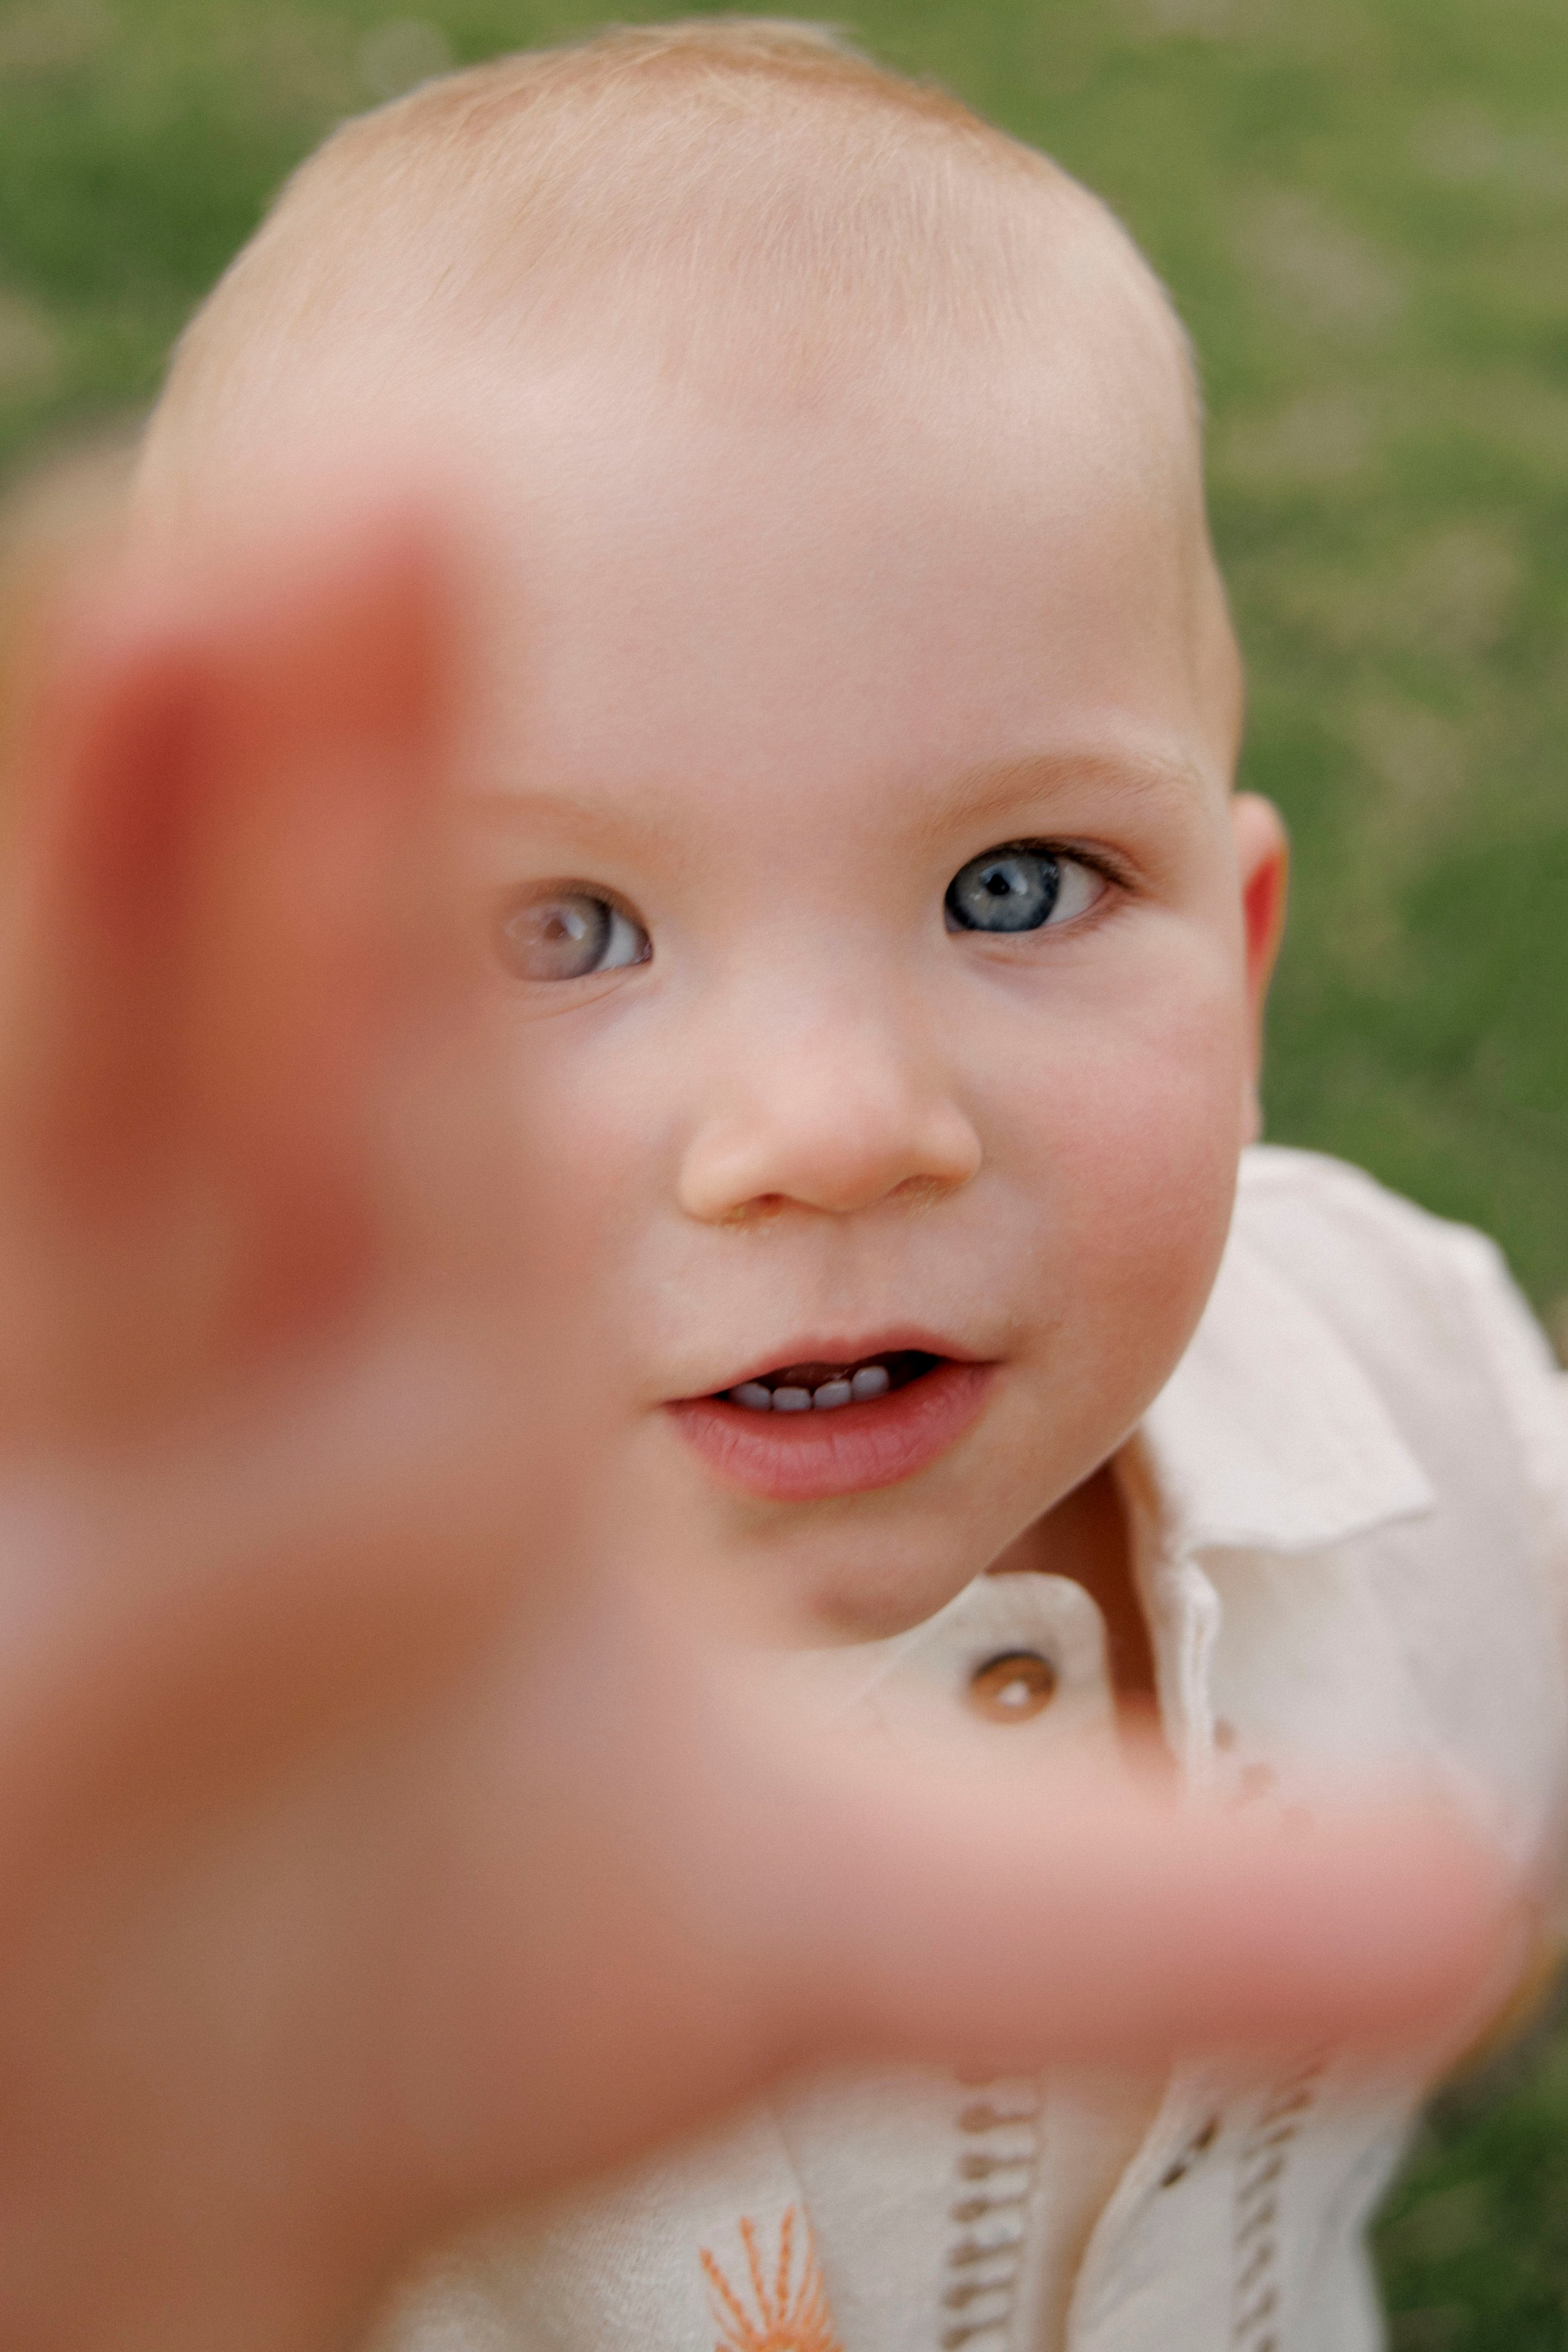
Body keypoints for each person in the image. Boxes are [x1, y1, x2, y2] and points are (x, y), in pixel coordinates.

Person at [0, 17, 1550, 2348]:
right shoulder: (234, 1785)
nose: (835, 1124)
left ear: (1240, 956)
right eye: (557, 934)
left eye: (1021, 884)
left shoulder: (1414, 1391)